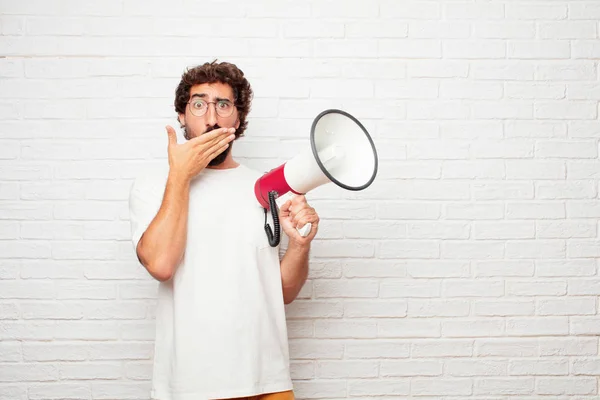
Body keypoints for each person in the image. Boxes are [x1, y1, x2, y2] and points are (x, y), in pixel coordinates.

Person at [128, 60, 320, 400]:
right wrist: (180, 176)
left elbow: (283, 293)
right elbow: (160, 264)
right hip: (190, 385)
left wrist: (299, 245)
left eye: (224, 105)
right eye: (199, 104)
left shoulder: (265, 189)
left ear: (239, 120)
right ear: (182, 117)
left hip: (268, 382)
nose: (211, 118)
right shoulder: (153, 185)